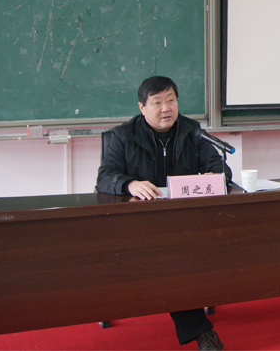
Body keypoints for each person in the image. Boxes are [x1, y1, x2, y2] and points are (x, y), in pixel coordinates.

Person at [97, 76, 230, 351]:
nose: (165, 108)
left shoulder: (193, 131)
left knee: (181, 253)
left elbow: (220, 169)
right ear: (142, 107)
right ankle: (203, 333)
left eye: (171, 100)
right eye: (157, 102)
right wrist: (130, 184)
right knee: (172, 259)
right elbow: (105, 177)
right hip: (139, 224)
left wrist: (214, 176)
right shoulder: (123, 136)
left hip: (185, 222)